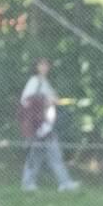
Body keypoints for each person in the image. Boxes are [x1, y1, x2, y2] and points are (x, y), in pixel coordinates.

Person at [19, 58, 78, 193]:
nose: (45, 67)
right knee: (53, 154)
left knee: (36, 155)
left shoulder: (44, 81)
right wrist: (46, 101)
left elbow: (52, 99)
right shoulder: (35, 81)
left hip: (46, 124)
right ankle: (64, 183)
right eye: (41, 65)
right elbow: (26, 100)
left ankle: (28, 183)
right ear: (36, 67)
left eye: (46, 65)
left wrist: (56, 100)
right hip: (39, 125)